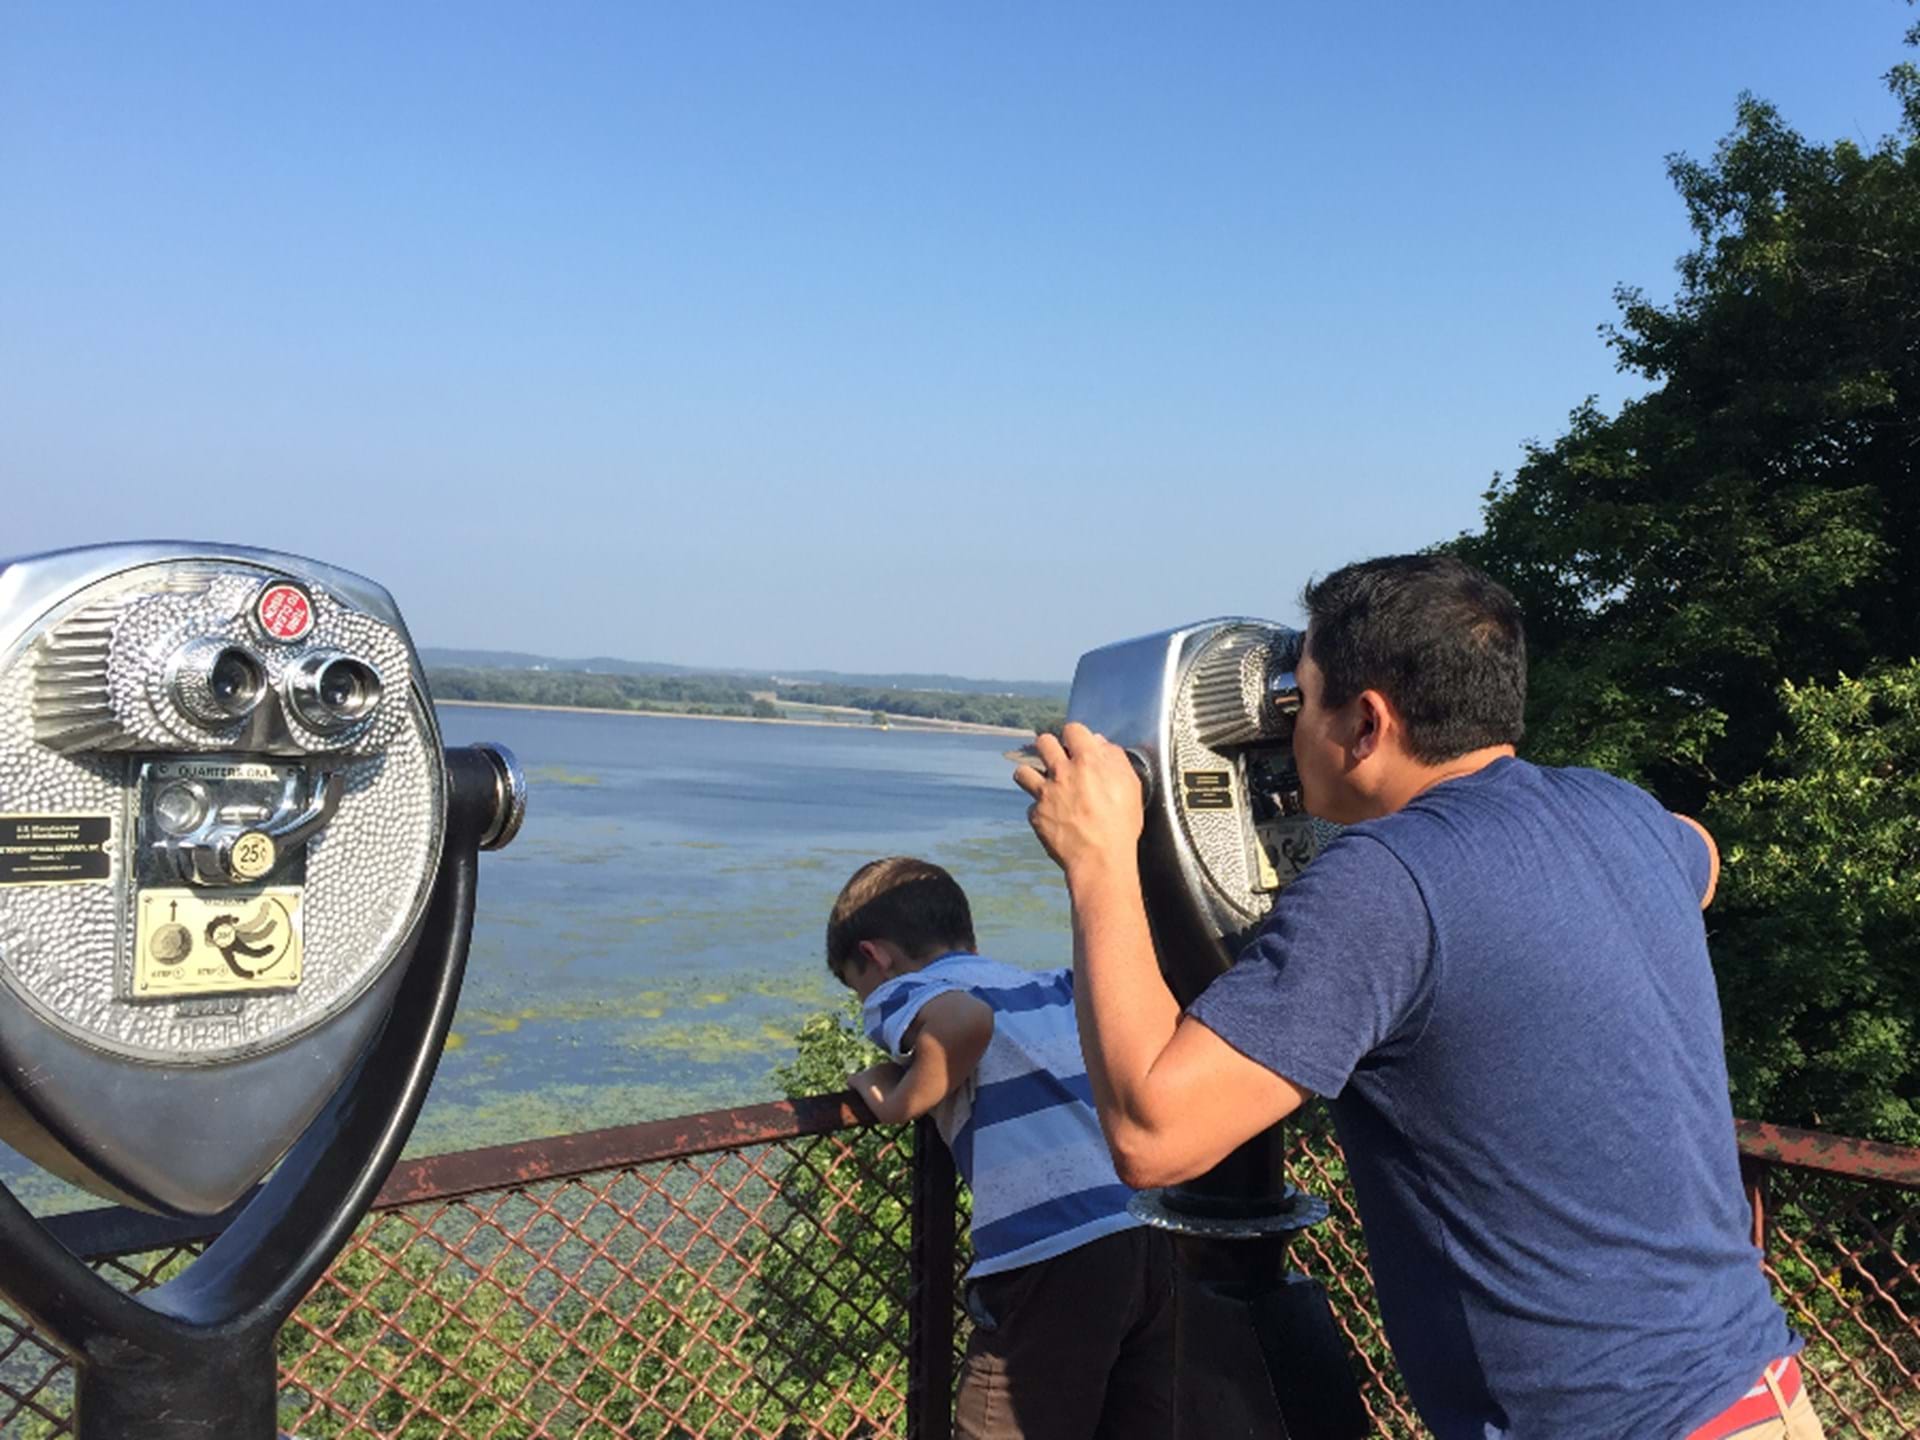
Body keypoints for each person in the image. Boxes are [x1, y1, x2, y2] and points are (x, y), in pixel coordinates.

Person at [1014, 554, 1821, 1440]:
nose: (1288, 734)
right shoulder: (1622, 813)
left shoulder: (1385, 885)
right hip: (1761, 1392)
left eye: (1302, 698)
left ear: (1366, 722)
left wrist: (1099, 859)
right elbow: (1700, 856)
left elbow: (1152, 1137)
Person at [827, 856, 1174, 1440]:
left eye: (857, 982)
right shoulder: (1050, 986)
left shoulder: (911, 988)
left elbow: (962, 1023)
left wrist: (897, 1099)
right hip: (1149, 1231)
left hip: (1050, 1249)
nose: (867, 998)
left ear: (875, 955)